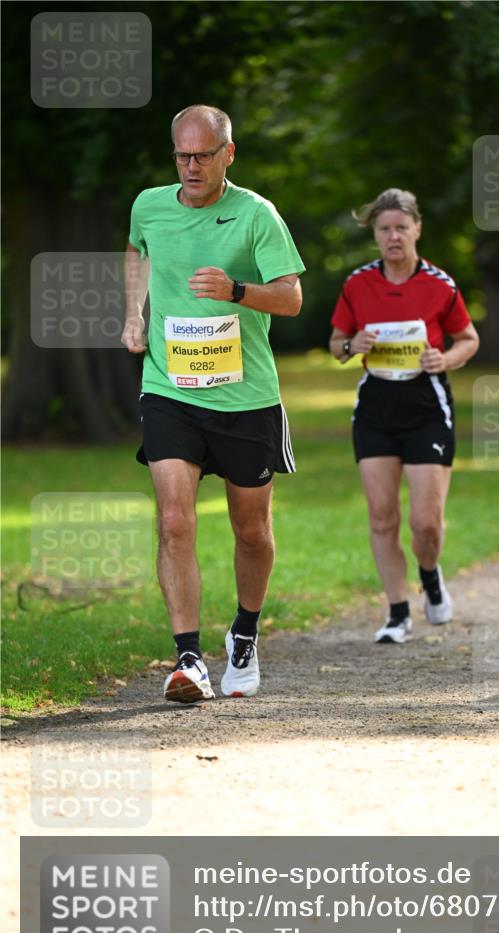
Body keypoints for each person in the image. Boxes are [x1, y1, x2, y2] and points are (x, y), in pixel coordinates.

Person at [122, 105, 304, 703]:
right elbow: (137, 252)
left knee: (250, 531)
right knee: (174, 519)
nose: (192, 166)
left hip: (246, 396)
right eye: (182, 155)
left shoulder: (257, 215)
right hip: (170, 387)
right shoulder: (149, 204)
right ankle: (189, 660)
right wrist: (133, 314)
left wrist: (236, 291)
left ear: (230, 153)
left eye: (203, 155)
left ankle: (245, 633)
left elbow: (293, 298)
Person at [329, 188, 479, 643]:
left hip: (426, 407)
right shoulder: (358, 283)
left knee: (426, 523)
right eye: (383, 229)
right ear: (374, 234)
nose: (393, 236)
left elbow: (468, 339)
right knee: (381, 517)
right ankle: (397, 612)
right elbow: (336, 343)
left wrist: (445, 360)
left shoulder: (440, 284)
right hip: (376, 405)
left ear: (417, 229)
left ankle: (430, 576)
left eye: (401, 227)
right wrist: (351, 347)